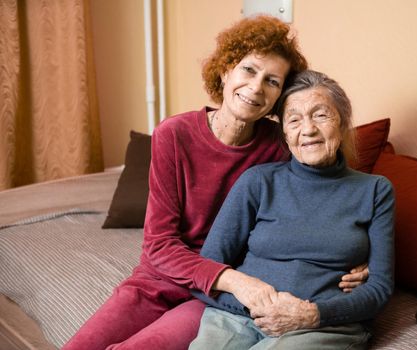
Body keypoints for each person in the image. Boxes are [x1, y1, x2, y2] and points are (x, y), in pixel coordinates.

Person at [63, 16, 368, 350]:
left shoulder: (282, 144)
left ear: (279, 98)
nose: (256, 87)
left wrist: (361, 256)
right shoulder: (173, 134)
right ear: (225, 71)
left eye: (272, 81)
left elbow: (327, 192)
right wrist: (238, 281)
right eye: (249, 70)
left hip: (217, 296)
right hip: (162, 278)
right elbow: (159, 245)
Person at [189, 70, 395, 350]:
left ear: (344, 123)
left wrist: (311, 315)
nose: (307, 129)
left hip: (323, 324)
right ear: (284, 134)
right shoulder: (258, 181)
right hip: (237, 316)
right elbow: (204, 271)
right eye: (294, 119)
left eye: (321, 115)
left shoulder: (375, 190)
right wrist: (258, 307)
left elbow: (379, 289)